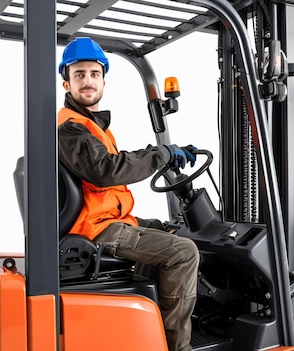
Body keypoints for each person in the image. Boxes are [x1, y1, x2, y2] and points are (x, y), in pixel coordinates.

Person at [56, 37, 199, 351]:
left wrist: (162, 152)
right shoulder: (71, 128)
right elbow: (105, 171)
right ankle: (177, 346)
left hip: (106, 219)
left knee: (172, 228)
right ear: (67, 83)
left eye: (94, 73)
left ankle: (148, 324)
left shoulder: (92, 125)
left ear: (104, 79)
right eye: (79, 74)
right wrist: (160, 155)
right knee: (184, 252)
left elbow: (113, 166)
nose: (88, 80)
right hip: (97, 228)